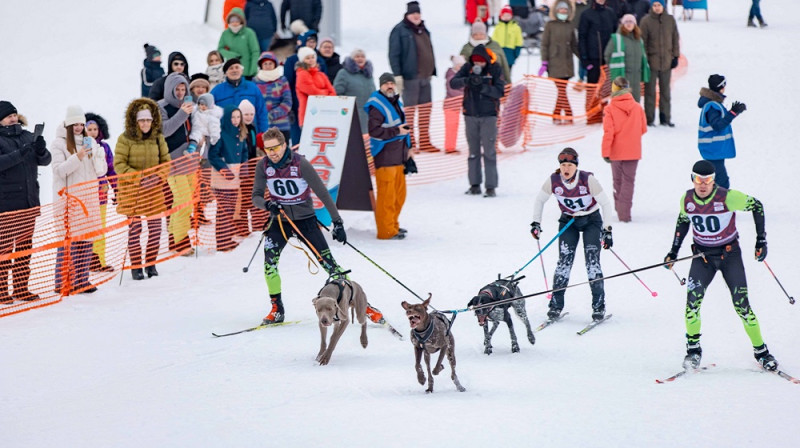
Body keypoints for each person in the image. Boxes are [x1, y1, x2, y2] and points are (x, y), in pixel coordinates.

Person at [252, 128, 386, 325]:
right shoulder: (263, 166)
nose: (272, 153)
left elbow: (322, 193)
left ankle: (362, 304)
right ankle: (277, 309)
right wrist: (267, 204)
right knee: (269, 265)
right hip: (280, 222)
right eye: (268, 149)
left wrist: (337, 222)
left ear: (284, 146)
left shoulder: (300, 163)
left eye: (276, 148)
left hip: (305, 220)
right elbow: (255, 196)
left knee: (331, 266)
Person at [664, 160, 778, 371]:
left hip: (729, 255)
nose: (703, 184)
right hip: (703, 257)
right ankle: (693, 350)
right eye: (699, 179)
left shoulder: (727, 197)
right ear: (692, 179)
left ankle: (761, 351)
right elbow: (683, 220)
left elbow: (756, 205)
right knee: (692, 305)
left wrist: (761, 240)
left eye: (708, 180)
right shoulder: (687, 200)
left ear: (714, 180)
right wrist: (673, 251)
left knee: (742, 306)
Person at [530, 148, 614, 321]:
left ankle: (599, 307)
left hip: (592, 221)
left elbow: (605, 203)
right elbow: (539, 200)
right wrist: (536, 223)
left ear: (576, 166)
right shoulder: (554, 180)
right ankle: (555, 306)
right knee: (564, 264)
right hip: (569, 222)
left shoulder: (587, 179)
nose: (566, 168)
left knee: (592, 263)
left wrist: (607, 230)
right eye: (563, 165)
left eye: (569, 165)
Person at [51, 106, 107, 295]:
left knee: (86, 241)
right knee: (69, 243)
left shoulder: (89, 141)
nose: (78, 127)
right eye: (75, 124)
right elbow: (59, 170)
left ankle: (81, 280)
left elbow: (100, 171)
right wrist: (78, 156)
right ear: (68, 124)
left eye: (81, 124)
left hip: (89, 200)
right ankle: (62, 282)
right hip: (69, 202)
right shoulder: (58, 144)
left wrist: (98, 156)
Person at [0, 101, 52, 304]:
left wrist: (40, 150)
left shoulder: (28, 136)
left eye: (14, 115)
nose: (13, 118)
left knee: (24, 250)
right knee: (4, 250)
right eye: (8, 116)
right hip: (5, 205)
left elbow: (45, 161)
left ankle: (22, 289)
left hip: (29, 202)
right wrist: (20, 153)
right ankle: (2, 291)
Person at [114, 98, 170, 280]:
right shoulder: (125, 139)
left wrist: (157, 177)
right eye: (141, 120)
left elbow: (166, 162)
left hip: (154, 192)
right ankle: (136, 267)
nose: (145, 124)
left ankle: (150, 264)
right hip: (132, 192)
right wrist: (140, 178)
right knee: (135, 230)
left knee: (155, 230)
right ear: (135, 121)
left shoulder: (158, 138)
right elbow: (119, 165)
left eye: (148, 120)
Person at [449, 44, 506, 198]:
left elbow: (500, 91)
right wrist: (468, 80)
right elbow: (453, 83)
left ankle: (491, 186)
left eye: (481, 62)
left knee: (489, 152)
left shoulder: (495, 69)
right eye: (475, 62)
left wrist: (483, 87)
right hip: (470, 115)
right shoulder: (467, 67)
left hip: (489, 115)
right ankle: (474, 184)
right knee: (473, 152)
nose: (478, 65)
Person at [365, 73, 414, 240]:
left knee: (399, 195)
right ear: (380, 86)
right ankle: (386, 230)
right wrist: (397, 132)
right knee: (387, 196)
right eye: (386, 84)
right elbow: (374, 131)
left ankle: (393, 225)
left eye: (391, 83)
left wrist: (410, 147)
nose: (389, 86)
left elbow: (404, 127)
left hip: (399, 156)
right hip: (385, 156)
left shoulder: (396, 102)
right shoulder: (376, 106)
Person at [389, 1, 438, 152]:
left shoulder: (423, 30)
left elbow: (428, 50)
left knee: (425, 110)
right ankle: (410, 142)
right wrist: (397, 75)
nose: (416, 16)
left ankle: (424, 141)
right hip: (410, 78)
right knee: (410, 111)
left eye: (418, 13)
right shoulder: (399, 30)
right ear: (407, 14)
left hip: (425, 77)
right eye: (413, 13)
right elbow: (394, 54)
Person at [158, 73, 196, 255]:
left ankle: (174, 238)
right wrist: (183, 114)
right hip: (173, 160)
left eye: (183, 89)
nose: (180, 93)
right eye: (177, 89)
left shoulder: (188, 106)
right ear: (170, 90)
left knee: (184, 202)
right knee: (183, 201)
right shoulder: (161, 107)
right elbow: (164, 130)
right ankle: (181, 242)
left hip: (189, 159)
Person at [601, 76, 647, 222]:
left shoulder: (610, 109)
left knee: (617, 181)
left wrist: (605, 152)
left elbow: (608, 132)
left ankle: (620, 209)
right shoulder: (637, 107)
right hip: (633, 150)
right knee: (629, 181)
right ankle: (624, 212)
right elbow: (643, 128)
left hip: (616, 151)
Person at [208, 106, 250, 251]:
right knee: (224, 210)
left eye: (238, 117)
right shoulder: (220, 134)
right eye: (233, 117)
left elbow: (244, 152)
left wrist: (244, 168)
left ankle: (226, 238)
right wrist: (224, 170)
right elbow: (213, 155)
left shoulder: (241, 133)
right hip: (222, 178)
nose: (236, 120)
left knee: (231, 209)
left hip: (235, 177)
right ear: (227, 118)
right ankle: (222, 242)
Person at [697, 74, 745, 189]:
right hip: (713, 150)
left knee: (716, 180)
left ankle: (716, 204)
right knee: (721, 182)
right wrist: (732, 113)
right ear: (721, 87)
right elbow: (717, 125)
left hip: (715, 150)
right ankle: (722, 205)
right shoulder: (712, 106)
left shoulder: (714, 104)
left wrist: (734, 112)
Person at [283, 29, 328, 145]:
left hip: (317, 105)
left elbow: (325, 82)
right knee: (298, 140)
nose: (311, 44)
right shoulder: (292, 60)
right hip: (298, 106)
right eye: (309, 41)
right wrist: (290, 105)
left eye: (314, 41)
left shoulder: (320, 61)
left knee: (315, 140)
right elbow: (287, 84)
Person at [639, 0, 680, 127]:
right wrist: (644, 59)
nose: (657, 8)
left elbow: (675, 38)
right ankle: (649, 119)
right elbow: (642, 42)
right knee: (650, 92)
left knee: (665, 92)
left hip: (666, 62)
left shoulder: (670, 20)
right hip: (651, 62)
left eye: (659, 5)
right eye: (654, 5)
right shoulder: (646, 21)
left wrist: (675, 56)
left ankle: (665, 118)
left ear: (663, 6)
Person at [85, 112, 116, 273]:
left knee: (100, 228)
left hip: (102, 194)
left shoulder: (104, 148)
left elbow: (111, 169)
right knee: (86, 229)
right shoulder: (81, 147)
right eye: (89, 129)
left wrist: (117, 189)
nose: (92, 132)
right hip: (85, 196)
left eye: (95, 129)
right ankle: (85, 260)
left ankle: (98, 260)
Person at [540, 0, 579, 124]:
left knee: (562, 90)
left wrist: (583, 59)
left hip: (567, 62)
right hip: (554, 61)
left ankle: (556, 115)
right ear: (556, 10)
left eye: (565, 10)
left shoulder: (570, 25)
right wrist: (544, 62)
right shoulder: (550, 25)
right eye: (561, 9)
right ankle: (568, 115)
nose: (563, 11)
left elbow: (574, 45)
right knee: (561, 89)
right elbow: (544, 44)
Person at [578, 0, 617, 122]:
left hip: (608, 58)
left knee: (606, 87)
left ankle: (605, 112)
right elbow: (582, 37)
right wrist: (584, 58)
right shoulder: (587, 14)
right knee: (593, 86)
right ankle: (592, 114)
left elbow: (615, 34)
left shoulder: (610, 13)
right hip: (592, 57)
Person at [211, 58, 270, 133]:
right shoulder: (217, 91)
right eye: (231, 68)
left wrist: (263, 132)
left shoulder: (253, 87)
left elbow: (261, 111)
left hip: (250, 133)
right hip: (226, 134)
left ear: (242, 70)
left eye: (237, 67)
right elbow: (210, 113)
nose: (234, 70)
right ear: (225, 73)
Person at [604, 13, 650, 103]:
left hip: (636, 78)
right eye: (626, 22)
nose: (629, 24)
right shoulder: (616, 38)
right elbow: (607, 55)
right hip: (622, 78)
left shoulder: (639, 40)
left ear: (635, 25)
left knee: (635, 103)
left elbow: (642, 57)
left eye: (631, 22)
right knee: (621, 103)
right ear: (622, 24)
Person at [333, 48, 375, 134]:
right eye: (357, 56)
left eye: (362, 56)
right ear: (352, 59)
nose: (360, 59)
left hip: (368, 114)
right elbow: (337, 92)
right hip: (351, 113)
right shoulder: (343, 73)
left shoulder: (368, 74)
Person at [253, 51, 292, 144]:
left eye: (270, 63)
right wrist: (262, 117)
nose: (267, 66)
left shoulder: (282, 80)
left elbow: (287, 102)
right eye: (265, 63)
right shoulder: (255, 81)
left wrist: (272, 115)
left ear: (275, 64)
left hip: (281, 125)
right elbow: (254, 102)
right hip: (262, 126)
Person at [295, 47, 336, 129]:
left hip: (324, 114)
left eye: (312, 57)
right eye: (307, 58)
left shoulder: (321, 75)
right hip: (308, 115)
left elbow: (333, 92)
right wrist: (326, 92)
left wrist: (327, 93)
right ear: (303, 60)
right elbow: (313, 92)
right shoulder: (302, 74)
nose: (311, 60)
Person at [218, 7, 261, 79]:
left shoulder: (249, 33)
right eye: (232, 20)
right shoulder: (225, 33)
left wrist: (253, 69)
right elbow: (220, 49)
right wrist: (232, 55)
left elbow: (255, 52)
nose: (234, 23)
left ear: (241, 21)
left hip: (247, 72)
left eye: (237, 20)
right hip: (231, 71)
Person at [443, 55, 465, 154]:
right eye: (458, 65)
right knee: (451, 126)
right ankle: (449, 147)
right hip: (451, 105)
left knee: (456, 125)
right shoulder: (451, 77)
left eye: (462, 65)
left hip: (460, 105)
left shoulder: (463, 76)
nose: (460, 67)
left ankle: (451, 146)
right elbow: (453, 91)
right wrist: (466, 95)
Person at [492, 5, 523, 73]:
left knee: (508, 71)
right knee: (499, 71)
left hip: (510, 52)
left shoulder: (516, 28)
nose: (506, 17)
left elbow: (519, 41)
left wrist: (516, 52)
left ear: (511, 16)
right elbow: (493, 40)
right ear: (501, 16)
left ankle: (508, 83)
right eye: (504, 15)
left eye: (508, 15)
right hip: (499, 52)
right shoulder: (498, 27)